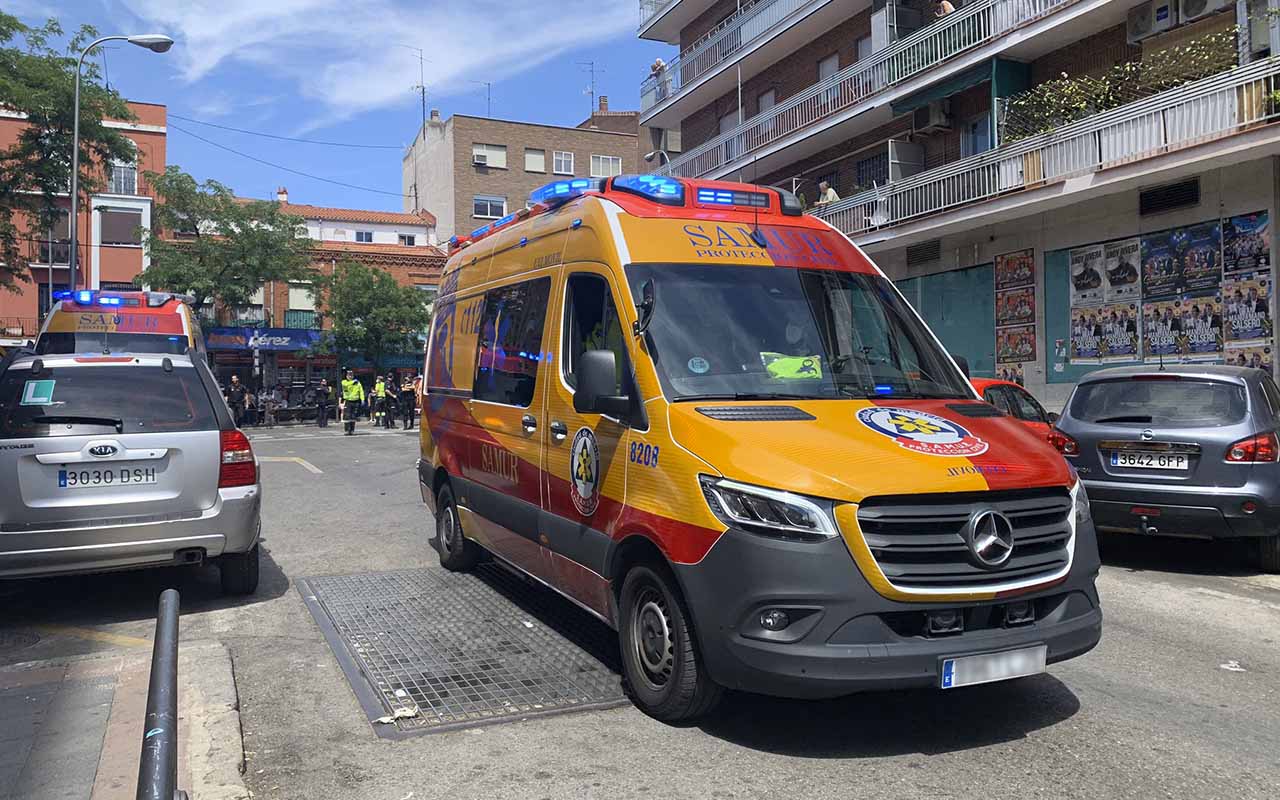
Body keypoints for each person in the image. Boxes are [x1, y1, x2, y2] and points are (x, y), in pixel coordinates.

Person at [340, 370, 365, 436]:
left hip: (355, 401)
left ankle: (352, 430)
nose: (350, 377)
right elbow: (345, 384)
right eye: (349, 375)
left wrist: (362, 399)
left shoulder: (358, 383)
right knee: (347, 416)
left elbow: (361, 391)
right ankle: (347, 430)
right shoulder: (344, 382)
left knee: (353, 416)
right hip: (348, 401)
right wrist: (353, 382)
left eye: (351, 375)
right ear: (346, 376)